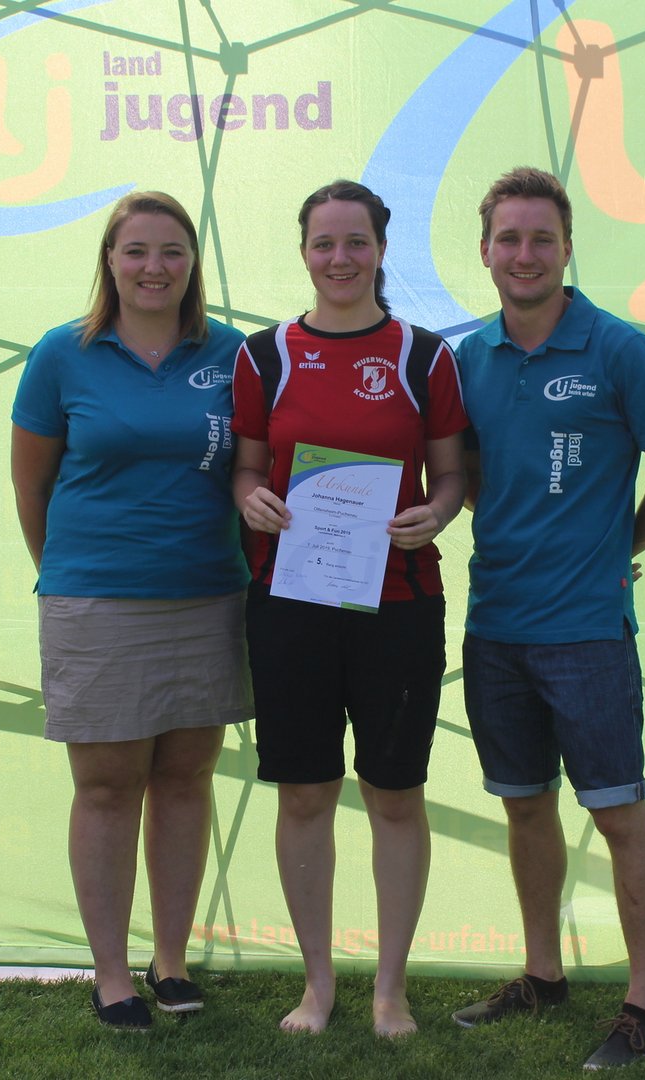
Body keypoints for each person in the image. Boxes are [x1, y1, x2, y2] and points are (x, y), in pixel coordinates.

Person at [450, 167, 645, 1070]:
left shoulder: (619, 350)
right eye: (508, 239)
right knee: (525, 807)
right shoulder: (467, 359)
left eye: (541, 239)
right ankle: (543, 974)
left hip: (588, 633)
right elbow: (467, 477)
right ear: (485, 251)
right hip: (495, 626)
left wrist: (612, 545)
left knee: (618, 813)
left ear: (567, 248)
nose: (524, 254)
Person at [230, 179, 468, 1037]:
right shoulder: (265, 355)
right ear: (304, 252)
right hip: (291, 602)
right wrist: (251, 497)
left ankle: (390, 990)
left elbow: (451, 474)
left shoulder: (423, 357)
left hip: (399, 604)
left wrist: (435, 514)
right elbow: (246, 467)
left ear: (381, 250)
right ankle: (318, 985)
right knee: (304, 794)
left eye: (356, 241)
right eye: (324, 243)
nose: (340, 258)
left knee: (394, 793)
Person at [11, 191, 251, 1030]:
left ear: (193, 263)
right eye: (137, 251)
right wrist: (71, 575)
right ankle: (111, 975)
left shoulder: (233, 355)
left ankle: (171, 961)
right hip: (98, 602)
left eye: (172, 251)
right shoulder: (62, 355)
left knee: (185, 781)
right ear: (109, 261)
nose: (155, 267)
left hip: (208, 596)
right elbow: (31, 485)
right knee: (109, 787)